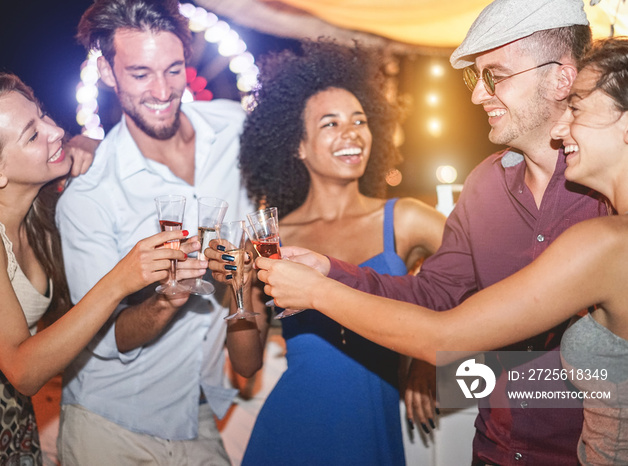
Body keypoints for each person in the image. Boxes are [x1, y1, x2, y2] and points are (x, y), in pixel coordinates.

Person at [257, 0, 604, 464]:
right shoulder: (483, 186)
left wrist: (322, 292)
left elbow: (446, 338)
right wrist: (332, 271)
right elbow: (435, 293)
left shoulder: (608, 189)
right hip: (493, 452)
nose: (479, 95)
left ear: (561, 77)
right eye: (475, 78)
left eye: (495, 75)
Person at [0, 71, 188, 464]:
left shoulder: (35, 215)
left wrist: (85, 142)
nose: (55, 130)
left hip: (7, 414)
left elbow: (131, 152)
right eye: (32, 134)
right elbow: (24, 370)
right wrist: (119, 279)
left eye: (44, 115)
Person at [55, 0, 269, 464]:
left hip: (201, 416)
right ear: (108, 73)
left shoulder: (236, 131)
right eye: (140, 73)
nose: (162, 90)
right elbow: (106, 338)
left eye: (173, 70)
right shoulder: (89, 195)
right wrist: (166, 298)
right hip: (110, 427)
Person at [228, 40, 445, 465]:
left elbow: (481, 270)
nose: (351, 133)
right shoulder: (271, 238)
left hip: (371, 433)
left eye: (359, 120)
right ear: (298, 145)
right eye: (330, 124)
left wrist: (429, 355)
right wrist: (236, 289)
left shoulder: (405, 219)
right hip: (289, 434)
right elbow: (246, 366)